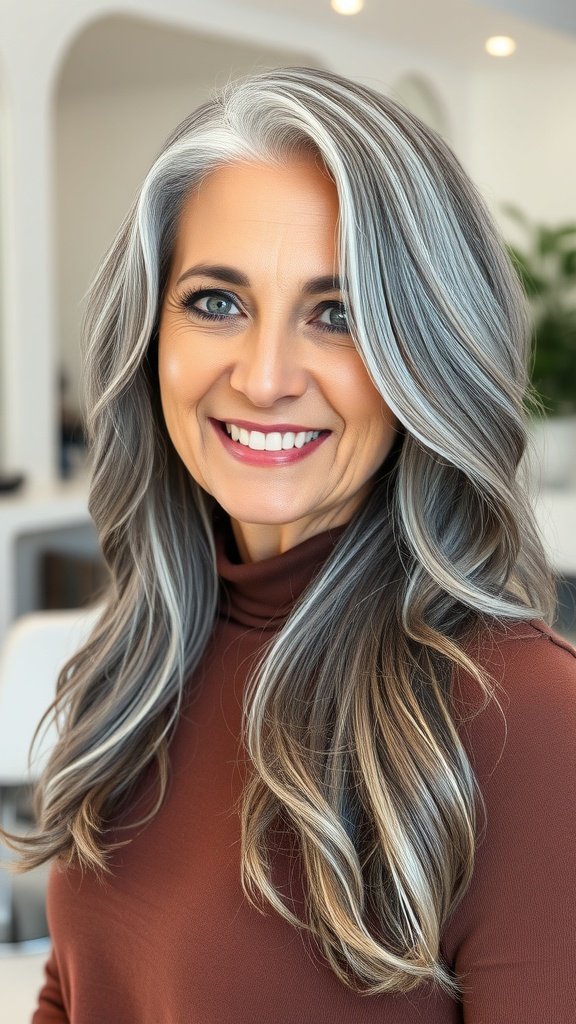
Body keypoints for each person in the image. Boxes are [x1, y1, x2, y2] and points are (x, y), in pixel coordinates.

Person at [2, 65, 575, 1022]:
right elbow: (83, 985)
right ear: (150, 337)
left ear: (427, 356)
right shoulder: (145, 653)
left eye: (338, 315)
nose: (265, 378)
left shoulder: (529, 723)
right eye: (216, 302)